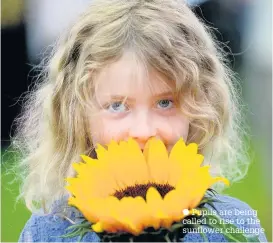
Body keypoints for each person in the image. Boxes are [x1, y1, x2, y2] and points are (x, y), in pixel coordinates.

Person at [14, 0, 267, 242]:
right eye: (117, 106)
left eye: (165, 103)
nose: (144, 131)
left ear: (200, 109)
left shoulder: (232, 228)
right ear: (77, 116)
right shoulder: (48, 232)